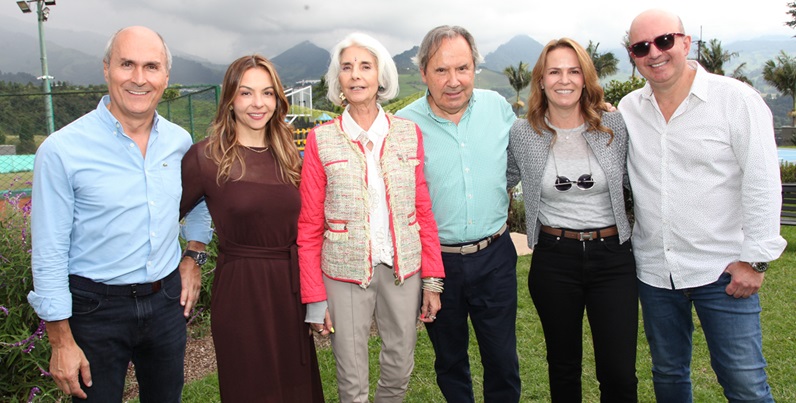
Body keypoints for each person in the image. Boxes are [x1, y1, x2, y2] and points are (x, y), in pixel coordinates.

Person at [28, 26, 213, 402]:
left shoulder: (179, 142)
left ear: (165, 77)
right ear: (106, 68)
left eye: (151, 66)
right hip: (94, 310)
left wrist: (193, 255)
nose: (139, 78)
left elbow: (202, 199)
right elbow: (48, 251)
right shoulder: (62, 150)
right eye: (127, 64)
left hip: (165, 303)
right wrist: (60, 338)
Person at [619, 9, 787, 402]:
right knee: (669, 377)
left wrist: (757, 260)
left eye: (664, 41)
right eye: (642, 47)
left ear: (685, 42)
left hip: (723, 273)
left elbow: (763, 181)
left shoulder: (737, 100)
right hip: (656, 273)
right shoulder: (628, 110)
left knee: (745, 385)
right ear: (633, 55)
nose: (655, 53)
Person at [298, 32, 444, 402]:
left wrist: (432, 280)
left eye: (366, 66)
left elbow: (422, 211)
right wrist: (315, 297)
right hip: (344, 272)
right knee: (351, 377)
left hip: (403, 270)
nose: (356, 75)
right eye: (347, 67)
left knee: (399, 366)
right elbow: (310, 224)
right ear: (338, 79)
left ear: (381, 75)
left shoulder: (408, 134)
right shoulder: (321, 139)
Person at [180, 54, 324, 402]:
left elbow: (310, 225)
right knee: (251, 388)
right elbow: (160, 217)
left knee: (296, 390)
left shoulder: (291, 154)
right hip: (241, 293)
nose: (258, 103)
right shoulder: (205, 158)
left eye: (267, 93)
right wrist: (189, 256)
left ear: (278, 100)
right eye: (246, 93)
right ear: (230, 98)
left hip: (290, 292)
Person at [506, 38, 638, 402]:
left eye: (573, 71)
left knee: (619, 372)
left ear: (585, 78)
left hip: (613, 258)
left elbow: (638, 181)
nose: (564, 80)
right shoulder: (523, 133)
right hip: (554, 257)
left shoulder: (614, 126)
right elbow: (500, 180)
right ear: (541, 81)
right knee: (563, 368)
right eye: (554, 71)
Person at [395, 25, 521, 402]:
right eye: (441, 71)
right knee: (450, 360)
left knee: (502, 359)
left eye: (462, 68)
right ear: (423, 74)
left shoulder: (498, 108)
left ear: (474, 68)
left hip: (495, 256)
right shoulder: (404, 126)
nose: (454, 81)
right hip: (437, 265)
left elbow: (529, 150)